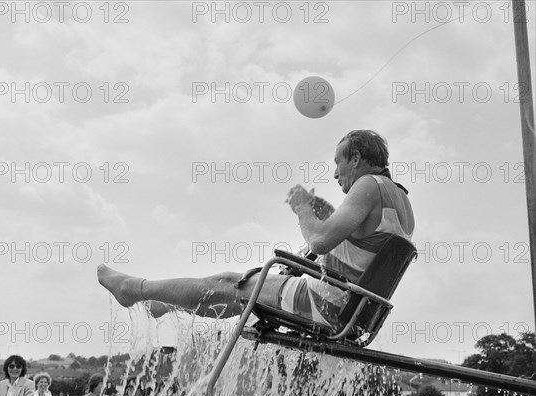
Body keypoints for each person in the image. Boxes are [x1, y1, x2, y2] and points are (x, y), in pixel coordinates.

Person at [98, 130, 415, 330]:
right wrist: (326, 212)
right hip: (351, 311)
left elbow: (319, 241)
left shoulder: (367, 185)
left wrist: (303, 209)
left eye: (338, 163)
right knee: (239, 295)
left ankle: (135, 289)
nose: (335, 173)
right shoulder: (400, 200)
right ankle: (164, 304)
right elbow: (358, 249)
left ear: (356, 158)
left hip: (326, 305)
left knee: (228, 283)